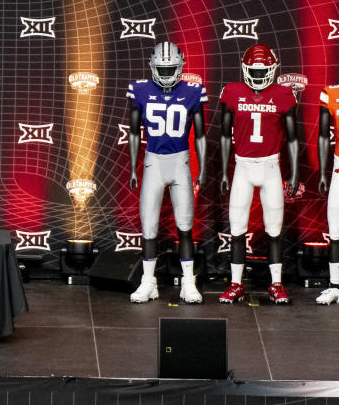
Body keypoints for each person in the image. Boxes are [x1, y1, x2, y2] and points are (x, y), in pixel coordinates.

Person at [126, 42, 207, 304]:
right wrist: (134, 167)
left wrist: (202, 168)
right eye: (161, 68)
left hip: (180, 162)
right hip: (153, 162)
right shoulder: (140, 90)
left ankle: (188, 282)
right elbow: (134, 132)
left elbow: (201, 135)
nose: (165, 73)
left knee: (185, 227)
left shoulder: (193, 91)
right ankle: (148, 281)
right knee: (149, 228)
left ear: (181, 65)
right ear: (152, 66)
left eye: (170, 68)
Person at [218, 44, 298, 304]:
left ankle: (276, 284)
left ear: (273, 69)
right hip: (242, 166)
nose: (258, 74)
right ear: (244, 68)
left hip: (271, 167)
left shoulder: (284, 94)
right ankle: (236, 283)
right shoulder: (232, 92)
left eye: (262, 70)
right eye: (253, 69)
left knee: (274, 229)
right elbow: (224, 136)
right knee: (238, 228)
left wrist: (294, 174)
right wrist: (224, 170)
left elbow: (292, 139)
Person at [317, 82, 339, 304]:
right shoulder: (331, 92)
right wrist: (323, 172)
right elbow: (324, 135)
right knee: (335, 230)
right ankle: (335, 285)